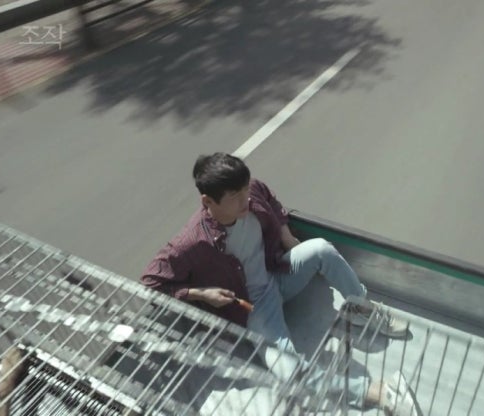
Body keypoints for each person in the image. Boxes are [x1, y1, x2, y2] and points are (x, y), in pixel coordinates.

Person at [141, 152, 422, 416]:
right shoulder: (192, 242)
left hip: (278, 274)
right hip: (253, 308)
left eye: (245, 189)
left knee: (321, 249)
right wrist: (202, 294)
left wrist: (286, 236)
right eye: (235, 196)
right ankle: (378, 391)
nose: (245, 199)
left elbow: (269, 198)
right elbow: (151, 282)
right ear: (208, 202)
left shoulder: (251, 191)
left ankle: (360, 308)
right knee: (291, 373)